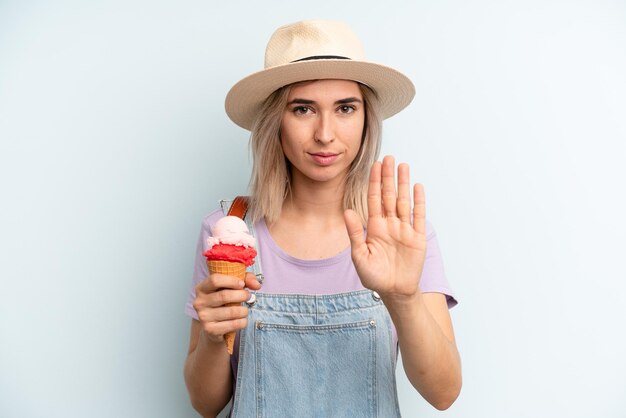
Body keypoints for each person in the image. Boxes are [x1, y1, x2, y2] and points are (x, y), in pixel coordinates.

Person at [183, 20, 462, 418]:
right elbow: (205, 403)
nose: (325, 134)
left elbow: (444, 393)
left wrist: (403, 300)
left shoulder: (404, 236)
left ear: (367, 119)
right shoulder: (229, 230)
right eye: (303, 109)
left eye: (346, 108)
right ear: (275, 121)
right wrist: (214, 337)